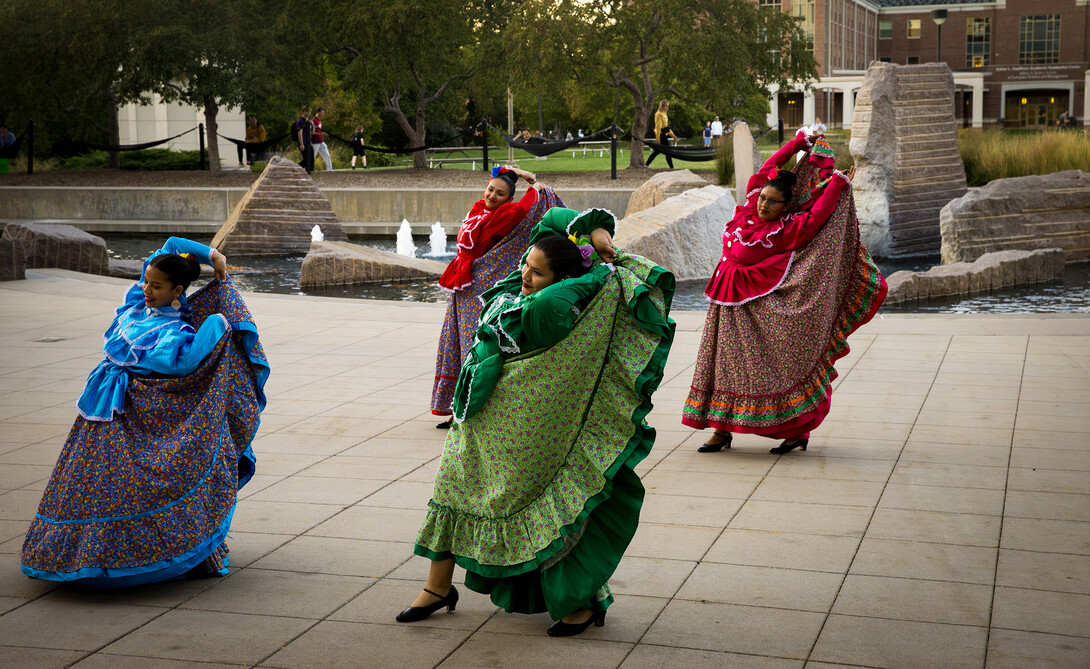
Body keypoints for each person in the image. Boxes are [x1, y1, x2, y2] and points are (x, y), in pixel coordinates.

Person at [399, 207, 675, 636]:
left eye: (537, 272)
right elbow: (552, 223)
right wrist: (595, 235)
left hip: (525, 426)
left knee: (545, 509)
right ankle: (438, 587)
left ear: (562, 282)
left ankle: (584, 600)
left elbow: (574, 285)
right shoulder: (523, 288)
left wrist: (594, 265)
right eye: (527, 265)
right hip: (480, 419)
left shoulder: (549, 309)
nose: (525, 276)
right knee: (451, 489)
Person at [20, 237, 270, 587]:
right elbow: (169, 244)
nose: (147, 288)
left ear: (177, 290)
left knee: (130, 484)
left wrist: (215, 322)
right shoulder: (138, 304)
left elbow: (185, 364)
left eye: (156, 285)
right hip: (102, 410)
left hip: (138, 415)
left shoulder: (176, 331)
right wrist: (215, 256)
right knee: (90, 480)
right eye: (147, 281)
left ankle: (144, 556)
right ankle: (80, 554)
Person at [683, 130, 887, 455]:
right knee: (720, 367)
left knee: (772, 373)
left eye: (772, 201)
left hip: (758, 313)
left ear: (786, 205)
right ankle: (721, 430)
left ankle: (796, 431)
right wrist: (796, 144)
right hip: (726, 309)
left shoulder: (787, 229)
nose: (764, 203)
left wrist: (835, 185)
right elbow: (764, 173)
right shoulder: (749, 208)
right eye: (762, 197)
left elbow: (819, 215)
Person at [430, 166, 561, 427]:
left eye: (500, 194)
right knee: (456, 342)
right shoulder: (480, 209)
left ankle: (468, 408)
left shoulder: (505, 214)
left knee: (472, 345)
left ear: (508, 199)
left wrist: (527, 178)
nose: (492, 196)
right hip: (463, 284)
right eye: (490, 189)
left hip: (476, 285)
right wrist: (507, 173)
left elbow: (526, 206)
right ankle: (455, 405)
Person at [646, 100, 679, 168]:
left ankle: (646, 165)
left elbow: (666, 127)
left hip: (665, 135)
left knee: (657, 151)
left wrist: (673, 136)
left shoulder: (665, 114)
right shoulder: (659, 114)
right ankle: (671, 167)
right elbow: (658, 127)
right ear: (662, 106)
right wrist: (658, 138)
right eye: (666, 105)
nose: (668, 107)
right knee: (668, 151)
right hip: (661, 136)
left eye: (668, 105)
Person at [294, 106, 314, 173]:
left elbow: (312, 132)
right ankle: (296, 168)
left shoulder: (309, 121)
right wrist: (302, 144)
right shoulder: (300, 121)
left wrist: (313, 125)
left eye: (309, 111)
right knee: (306, 159)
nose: (308, 113)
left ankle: (308, 170)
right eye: (306, 111)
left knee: (311, 158)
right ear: (303, 112)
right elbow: (300, 133)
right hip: (304, 142)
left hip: (309, 142)